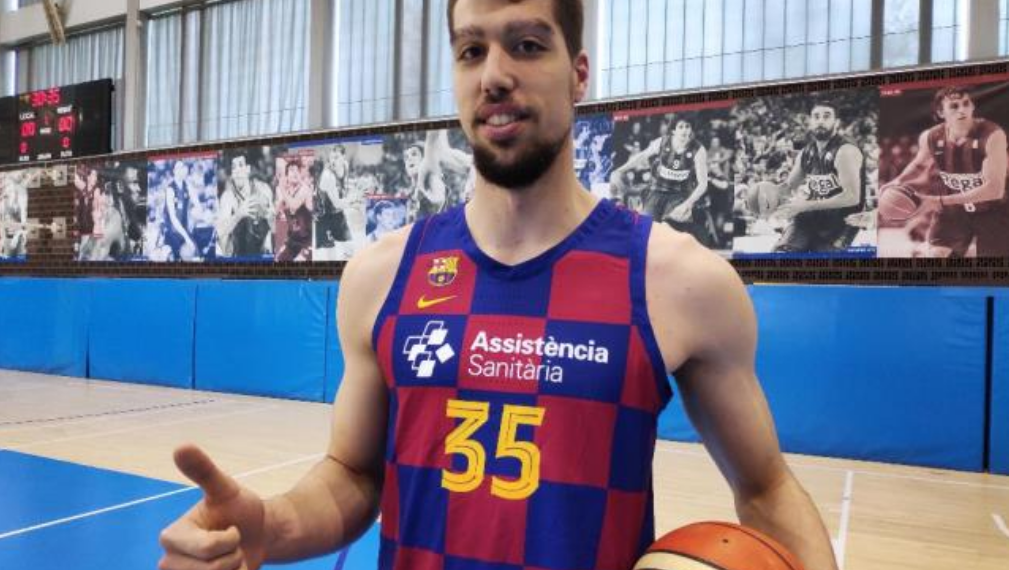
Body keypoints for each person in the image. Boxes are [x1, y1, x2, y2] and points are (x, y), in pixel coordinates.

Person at [158, 2, 838, 570]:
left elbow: (766, 486)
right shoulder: (381, 275)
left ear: (578, 75)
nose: (495, 75)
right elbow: (352, 475)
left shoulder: (678, 280)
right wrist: (267, 528)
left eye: (527, 44)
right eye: (470, 51)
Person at [882, 85, 1009, 257]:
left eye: (966, 103)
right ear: (941, 113)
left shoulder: (992, 135)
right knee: (936, 257)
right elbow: (919, 165)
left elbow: (994, 190)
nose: (962, 110)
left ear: (972, 106)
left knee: (993, 268)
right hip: (953, 211)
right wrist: (898, 180)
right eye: (954, 106)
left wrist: (939, 201)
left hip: (993, 210)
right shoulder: (930, 137)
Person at [770, 99, 865, 253]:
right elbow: (788, 186)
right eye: (816, 116)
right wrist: (766, 194)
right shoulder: (806, 153)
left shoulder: (846, 150)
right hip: (809, 218)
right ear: (810, 122)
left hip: (840, 224)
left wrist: (806, 205)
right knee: (781, 256)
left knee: (819, 268)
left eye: (827, 116)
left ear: (837, 122)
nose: (821, 121)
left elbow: (852, 197)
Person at [611, 117, 716, 246]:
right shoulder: (662, 142)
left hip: (679, 196)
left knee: (668, 232)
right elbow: (642, 156)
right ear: (673, 131)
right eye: (681, 127)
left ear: (691, 130)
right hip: (656, 192)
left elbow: (703, 184)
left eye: (687, 126)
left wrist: (688, 204)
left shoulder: (698, 150)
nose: (685, 130)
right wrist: (620, 169)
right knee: (647, 233)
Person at [217, 153, 275, 259]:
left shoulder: (263, 189)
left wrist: (269, 216)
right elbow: (220, 232)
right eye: (234, 168)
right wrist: (238, 214)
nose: (237, 171)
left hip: (262, 256)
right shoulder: (228, 197)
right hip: (238, 258)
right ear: (232, 174)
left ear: (248, 169)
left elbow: (275, 228)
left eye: (241, 165)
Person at [275, 160, 313, 262]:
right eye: (291, 170)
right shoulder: (286, 193)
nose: (295, 172)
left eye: (297, 170)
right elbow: (275, 213)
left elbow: (294, 205)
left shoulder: (305, 189)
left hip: (307, 242)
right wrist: (279, 202)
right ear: (286, 176)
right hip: (293, 241)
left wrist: (281, 188)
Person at [163, 160, 199, 261]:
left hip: (184, 230)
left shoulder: (187, 186)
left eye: (183, 167)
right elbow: (173, 219)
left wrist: (195, 215)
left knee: (196, 255)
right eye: (178, 168)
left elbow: (198, 206)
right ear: (174, 171)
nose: (181, 170)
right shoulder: (170, 189)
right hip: (173, 232)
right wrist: (187, 238)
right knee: (180, 257)